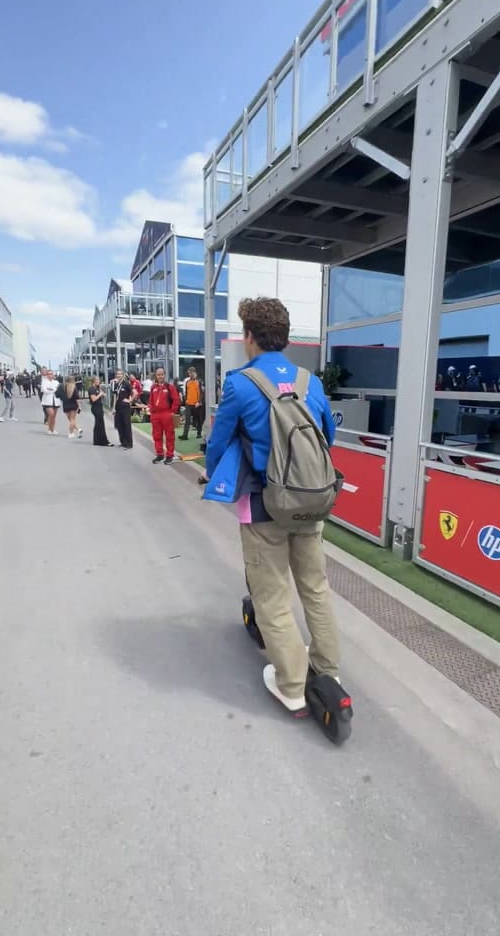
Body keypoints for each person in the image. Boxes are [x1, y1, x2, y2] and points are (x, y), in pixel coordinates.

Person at [203, 297, 339, 712]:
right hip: (310, 501)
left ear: (249, 336)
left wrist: (218, 474)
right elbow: (327, 439)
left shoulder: (240, 383)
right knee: (315, 588)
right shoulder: (309, 382)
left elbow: (218, 445)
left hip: (264, 506)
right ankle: (328, 669)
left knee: (273, 596)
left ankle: (293, 685)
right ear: (284, 335)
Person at [148, 368, 179, 464]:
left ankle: (169, 455)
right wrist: (151, 410)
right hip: (155, 415)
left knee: (169, 435)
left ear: (164, 375)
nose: (160, 376)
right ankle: (160, 454)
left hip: (166, 414)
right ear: (156, 376)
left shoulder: (170, 387)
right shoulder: (153, 387)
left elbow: (176, 400)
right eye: (158, 375)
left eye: (162, 374)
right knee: (156, 435)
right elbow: (151, 400)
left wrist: (172, 411)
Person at [180, 366, 204, 440]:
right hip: (188, 403)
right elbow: (187, 392)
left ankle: (199, 433)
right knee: (187, 419)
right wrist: (186, 400)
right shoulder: (187, 382)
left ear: (194, 372)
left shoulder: (198, 381)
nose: (190, 375)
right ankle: (185, 435)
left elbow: (201, 393)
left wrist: (199, 401)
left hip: (196, 404)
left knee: (198, 419)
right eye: (189, 373)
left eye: (191, 373)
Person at [88, 376, 113, 446]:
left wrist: (103, 394)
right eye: (96, 380)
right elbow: (93, 399)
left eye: (98, 380)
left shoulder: (98, 388)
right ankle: (103, 441)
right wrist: (100, 394)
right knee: (100, 424)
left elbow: (103, 394)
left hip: (99, 407)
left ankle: (97, 441)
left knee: (98, 424)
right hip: (95, 408)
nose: (98, 381)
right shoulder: (92, 389)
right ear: (93, 381)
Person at [113, 373, 135, 449]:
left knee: (126, 425)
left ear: (122, 375)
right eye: (117, 375)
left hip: (125, 408)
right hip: (118, 407)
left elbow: (134, 393)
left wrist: (130, 400)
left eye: (120, 374)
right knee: (119, 425)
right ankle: (123, 442)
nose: (118, 376)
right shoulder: (117, 384)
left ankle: (129, 443)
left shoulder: (126, 384)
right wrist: (113, 408)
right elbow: (115, 396)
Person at [41, 369, 61, 435]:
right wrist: (53, 390)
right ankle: (50, 429)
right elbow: (44, 390)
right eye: (48, 374)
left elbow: (58, 390)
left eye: (51, 374)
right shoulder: (44, 382)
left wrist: (51, 389)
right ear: (46, 375)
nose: (50, 375)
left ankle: (52, 429)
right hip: (47, 401)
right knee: (51, 414)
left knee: (54, 416)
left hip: (55, 400)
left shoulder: (56, 382)